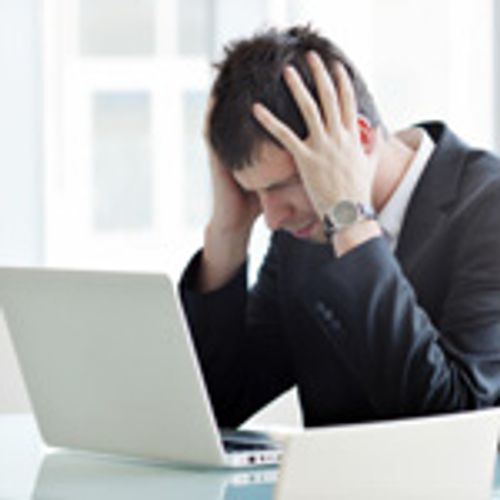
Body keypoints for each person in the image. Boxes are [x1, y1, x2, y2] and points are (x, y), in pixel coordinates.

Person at [179, 25, 500, 428]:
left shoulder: (487, 207)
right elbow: (221, 405)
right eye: (255, 192)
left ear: (359, 139)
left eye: (282, 185)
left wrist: (349, 221)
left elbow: (454, 417)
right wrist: (227, 236)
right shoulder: (301, 229)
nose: (273, 219)